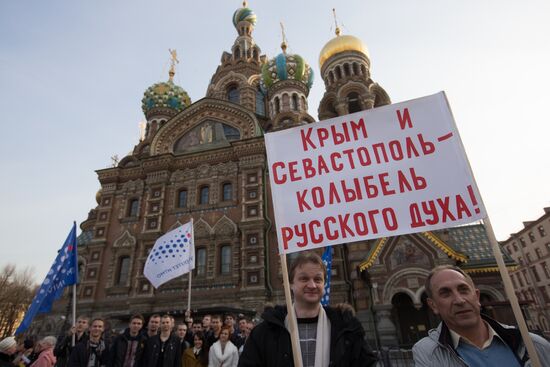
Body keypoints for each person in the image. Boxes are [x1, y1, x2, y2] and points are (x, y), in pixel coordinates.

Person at [238, 251, 377, 367]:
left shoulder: (346, 329)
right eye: (304, 279)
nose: (312, 285)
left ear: (324, 284)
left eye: (318, 280)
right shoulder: (266, 332)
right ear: (290, 284)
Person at [412, 265, 550, 366]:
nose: (459, 300)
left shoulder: (532, 345)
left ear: (477, 296)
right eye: (445, 293)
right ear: (433, 305)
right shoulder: (429, 354)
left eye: (463, 290)